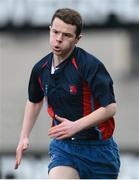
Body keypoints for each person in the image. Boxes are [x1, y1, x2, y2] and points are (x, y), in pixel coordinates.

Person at [15, 8, 120, 179]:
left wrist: (75, 125)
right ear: (50, 29)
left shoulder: (90, 66)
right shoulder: (40, 68)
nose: (58, 39)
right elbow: (34, 100)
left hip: (99, 150)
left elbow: (110, 108)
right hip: (64, 147)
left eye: (67, 35)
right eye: (55, 32)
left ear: (77, 39)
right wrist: (24, 137)